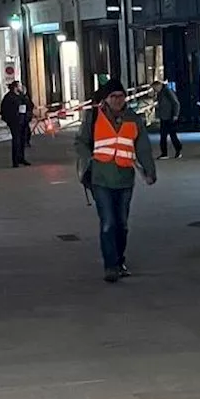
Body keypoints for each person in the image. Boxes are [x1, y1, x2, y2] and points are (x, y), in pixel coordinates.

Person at [76, 79, 157, 283]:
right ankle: (110, 265)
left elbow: (143, 148)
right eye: (113, 97)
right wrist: (89, 160)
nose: (118, 100)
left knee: (122, 224)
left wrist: (149, 171)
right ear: (106, 99)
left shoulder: (133, 120)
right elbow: (81, 142)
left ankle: (119, 260)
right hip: (100, 178)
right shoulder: (93, 117)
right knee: (108, 223)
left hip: (124, 179)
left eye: (121, 96)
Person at [0, 81, 34, 167]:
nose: (21, 87)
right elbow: (4, 110)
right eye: (20, 86)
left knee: (23, 140)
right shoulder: (9, 97)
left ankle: (21, 158)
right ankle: (15, 160)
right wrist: (9, 120)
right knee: (16, 140)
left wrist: (28, 116)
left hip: (24, 120)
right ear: (15, 87)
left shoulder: (22, 96)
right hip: (15, 121)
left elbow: (30, 105)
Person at [153, 80, 182, 159]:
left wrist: (175, 114)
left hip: (170, 117)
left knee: (172, 135)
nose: (154, 90)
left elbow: (176, 103)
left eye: (155, 88)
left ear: (159, 85)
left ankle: (177, 150)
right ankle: (164, 153)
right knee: (164, 136)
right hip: (164, 117)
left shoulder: (167, 91)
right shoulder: (160, 93)